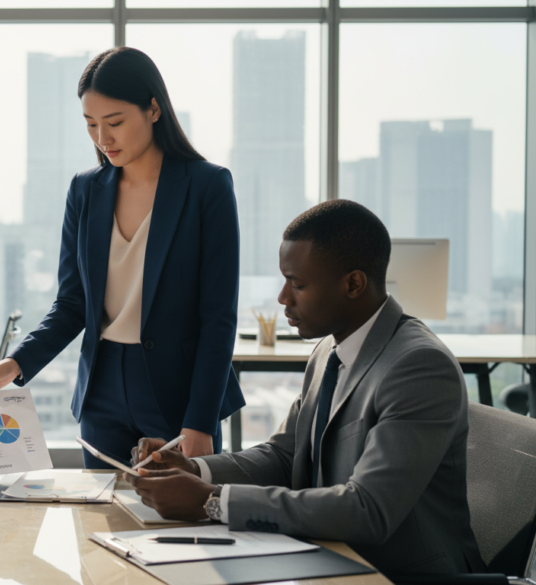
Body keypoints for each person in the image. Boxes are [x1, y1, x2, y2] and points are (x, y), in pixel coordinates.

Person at [128, 200, 486, 576]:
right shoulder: (328, 350)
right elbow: (285, 456)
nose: (283, 298)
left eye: (297, 284)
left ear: (353, 284)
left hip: (396, 574)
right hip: (327, 557)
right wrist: (195, 470)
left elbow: (369, 510)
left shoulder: (419, 367)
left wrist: (214, 502)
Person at [0, 47, 245, 466]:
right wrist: (14, 364)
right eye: (91, 124)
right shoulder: (85, 191)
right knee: (100, 522)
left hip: (179, 394)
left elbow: (218, 316)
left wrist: (201, 421)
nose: (102, 138)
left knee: (179, 526)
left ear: (154, 109)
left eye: (114, 122)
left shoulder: (208, 187)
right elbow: (72, 304)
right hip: (102, 393)